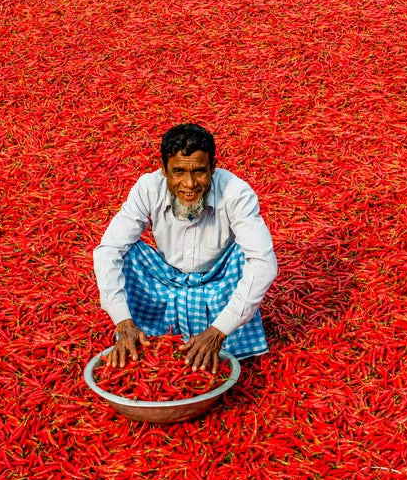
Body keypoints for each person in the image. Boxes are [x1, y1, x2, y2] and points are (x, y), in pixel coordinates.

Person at [93, 123, 277, 372]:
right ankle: (141, 331)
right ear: (164, 170)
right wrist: (122, 320)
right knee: (125, 252)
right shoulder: (148, 188)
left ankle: (224, 339)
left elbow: (264, 264)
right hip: (165, 281)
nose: (189, 184)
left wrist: (218, 331)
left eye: (200, 172)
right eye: (178, 171)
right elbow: (108, 251)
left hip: (218, 283)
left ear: (213, 168)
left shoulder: (235, 194)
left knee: (249, 254)